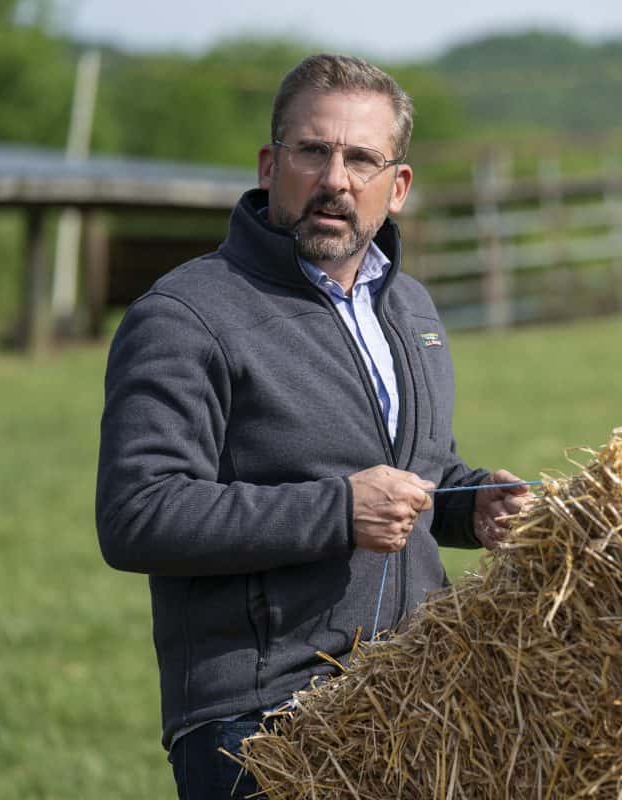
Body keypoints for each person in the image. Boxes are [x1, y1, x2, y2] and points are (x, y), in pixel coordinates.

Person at [95, 53, 531, 799]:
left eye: (362, 158)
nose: (336, 179)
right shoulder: (187, 315)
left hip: (414, 697)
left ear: (396, 188)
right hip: (261, 722)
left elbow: (416, 470)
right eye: (313, 151)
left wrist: (472, 499)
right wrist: (338, 510)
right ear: (271, 165)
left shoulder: (412, 311)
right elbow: (138, 513)